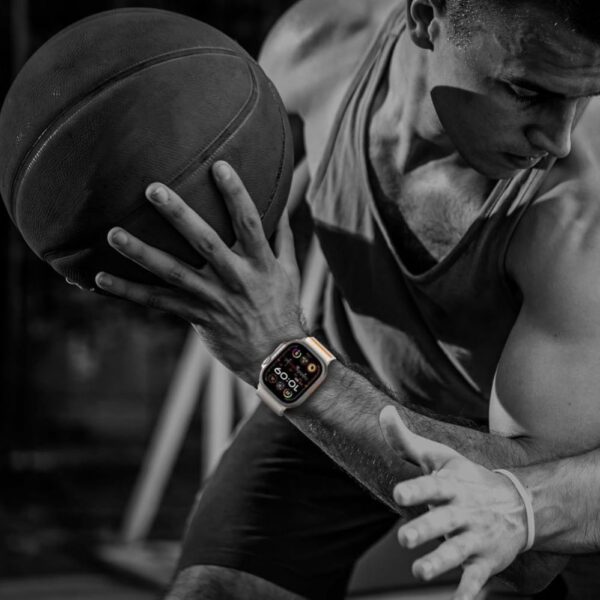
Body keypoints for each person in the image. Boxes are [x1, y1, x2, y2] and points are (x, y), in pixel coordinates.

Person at [91, 0, 600, 598]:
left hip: (514, 449)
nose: (558, 138)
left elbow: (530, 542)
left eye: (587, 95)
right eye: (527, 92)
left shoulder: (575, 214)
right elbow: (235, 200)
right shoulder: (318, 45)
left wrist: (279, 351)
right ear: (425, 18)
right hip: (352, 376)